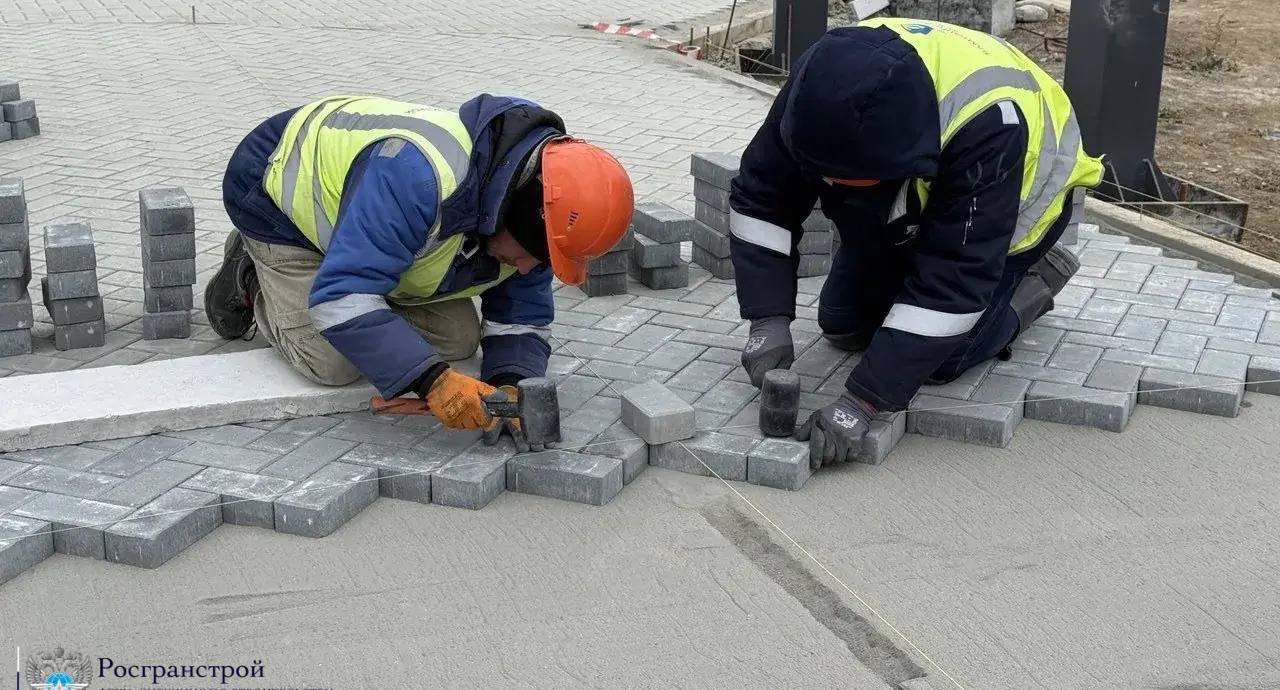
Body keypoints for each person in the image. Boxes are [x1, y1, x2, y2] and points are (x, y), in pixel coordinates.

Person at [728, 18, 1104, 469]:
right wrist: (766, 319)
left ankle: (1036, 284)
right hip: (916, 200)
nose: (830, 185)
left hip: (1013, 222)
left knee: (943, 360)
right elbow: (762, 197)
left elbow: (955, 278)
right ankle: (897, 259)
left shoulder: (989, 123)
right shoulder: (822, 79)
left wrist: (864, 402)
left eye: (848, 179)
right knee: (843, 325)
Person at [206, 94, 633, 446]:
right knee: (331, 361)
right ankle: (250, 272)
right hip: (276, 196)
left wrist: (511, 383)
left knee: (460, 339)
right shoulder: (418, 177)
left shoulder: (541, 220)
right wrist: (431, 382)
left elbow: (521, 316)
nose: (527, 268)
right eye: (528, 255)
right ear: (514, 214)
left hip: (372, 222)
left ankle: (371, 276)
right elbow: (339, 299)